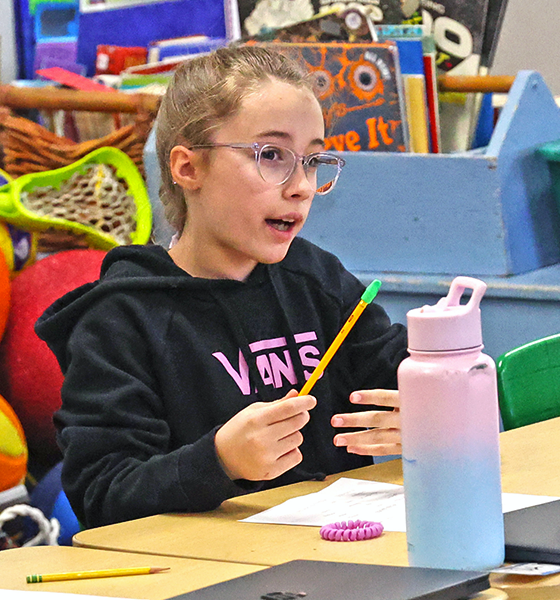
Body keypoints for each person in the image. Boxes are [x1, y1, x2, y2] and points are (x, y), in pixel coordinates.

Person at [37, 45, 408, 528]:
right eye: (271, 155)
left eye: (314, 160)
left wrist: (430, 416)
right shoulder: (122, 318)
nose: (301, 186)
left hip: (335, 560)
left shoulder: (318, 280)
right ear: (187, 168)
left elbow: (414, 383)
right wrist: (218, 461)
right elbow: (103, 495)